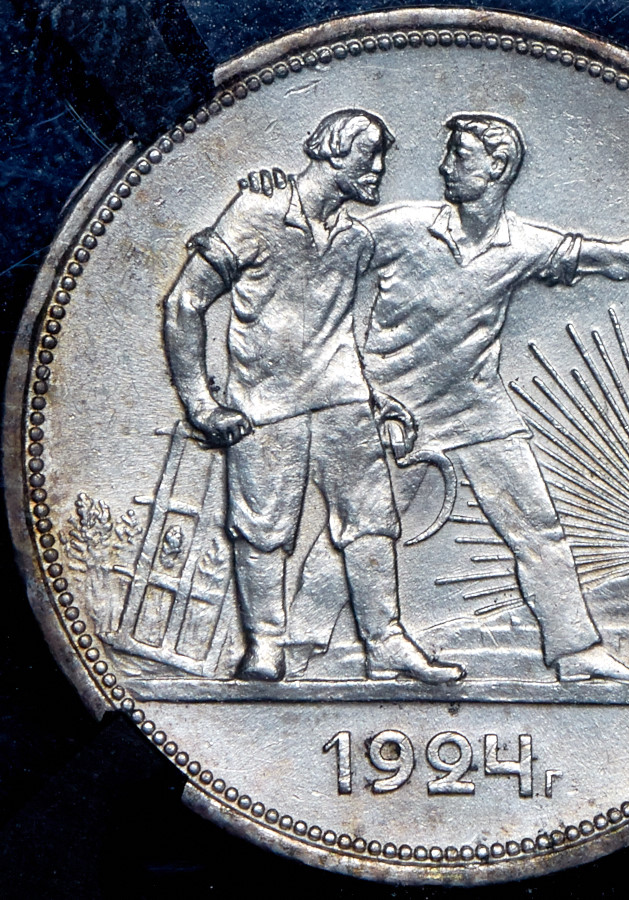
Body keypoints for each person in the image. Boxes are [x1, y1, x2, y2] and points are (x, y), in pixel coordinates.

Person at [354, 113, 629, 683]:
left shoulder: (522, 244)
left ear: (498, 167)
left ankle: (575, 651)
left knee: (538, 527)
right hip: (388, 410)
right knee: (364, 529)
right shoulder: (402, 226)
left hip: (476, 409)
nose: (444, 166)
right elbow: (319, 253)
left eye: (460, 155)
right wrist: (273, 200)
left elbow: (607, 257)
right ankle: (305, 643)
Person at [163, 109, 463, 684]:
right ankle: (265, 647)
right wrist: (200, 404)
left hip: (344, 404)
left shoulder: (354, 239)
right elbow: (185, 302)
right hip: (265, 408)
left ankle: (385, 643)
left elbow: (333, 330)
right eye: (370, 155)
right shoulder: (256, 210)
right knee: (262, 531)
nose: (379, 169)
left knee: (372, 523)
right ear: (332, 151)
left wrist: (373, 395)